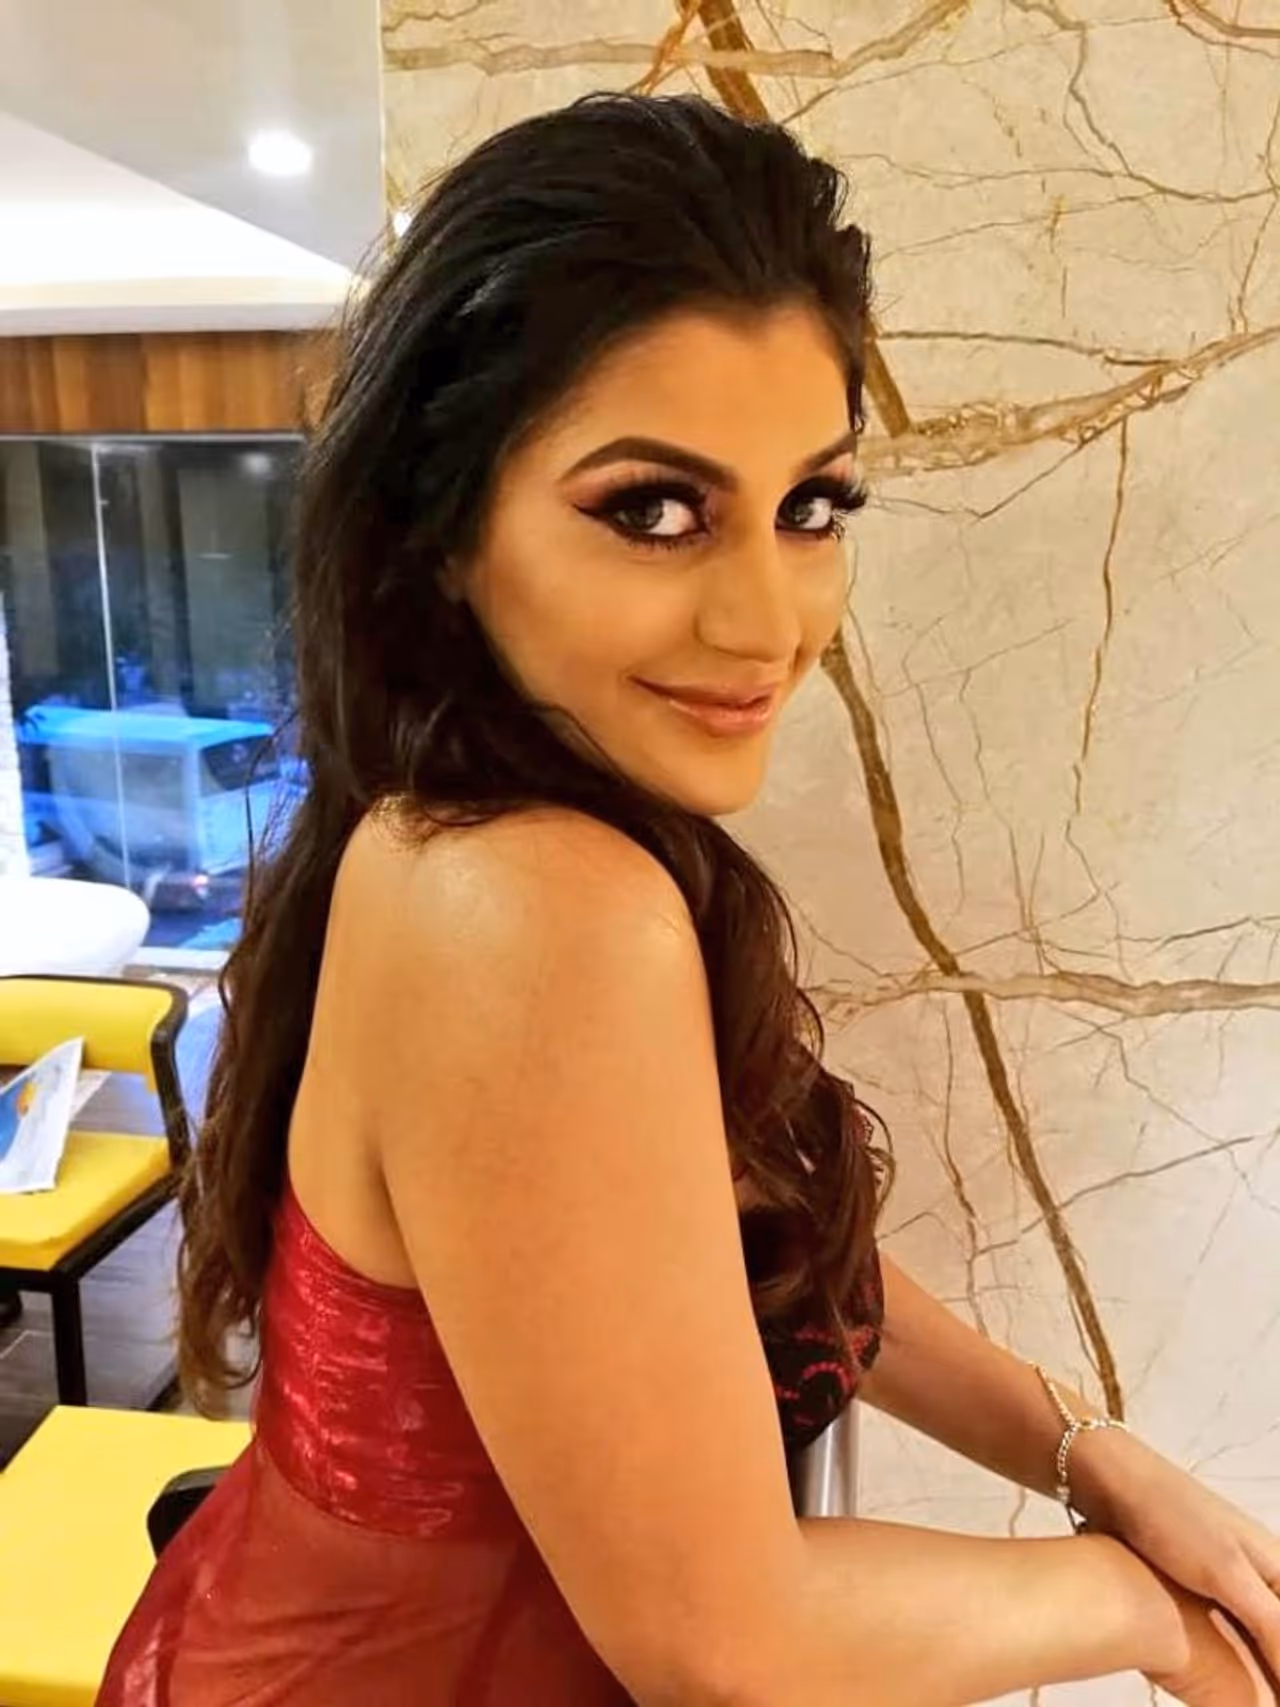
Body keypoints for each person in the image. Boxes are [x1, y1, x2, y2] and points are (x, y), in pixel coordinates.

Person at [100, 94, 1279, 1706]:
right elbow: (729, 1638)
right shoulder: (532, 906)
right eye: (654, 509)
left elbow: (732, 1235)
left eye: (813, 505)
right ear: (443, 533)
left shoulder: (469, 819)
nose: (768, 620)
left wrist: (1080, 1448)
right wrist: (1137, 1602)